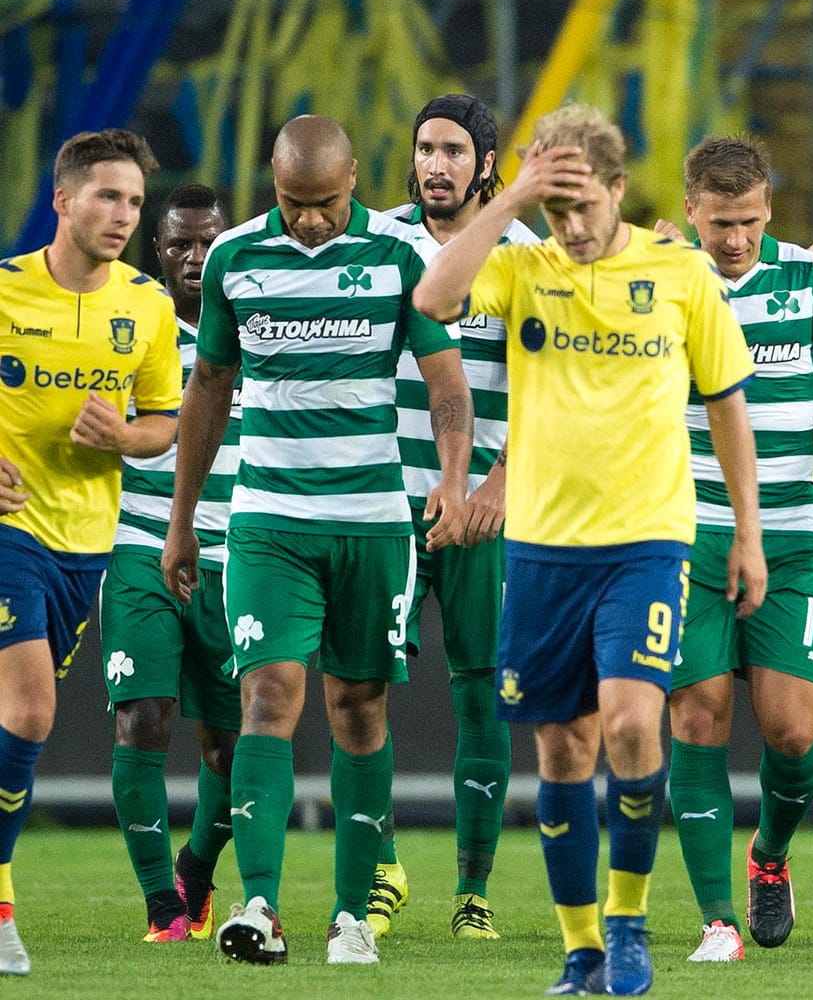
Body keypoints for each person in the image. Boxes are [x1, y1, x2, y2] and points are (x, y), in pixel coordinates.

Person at [413, 102, 763, 997]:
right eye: (555, 209)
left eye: (583, 207)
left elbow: (728, 407)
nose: (570, 228)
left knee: (634, 722)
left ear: (617, 190)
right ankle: (581, 952)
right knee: (563, 752)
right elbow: (435, 297)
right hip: (541, 549)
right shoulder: (524, 265)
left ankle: (629, 919)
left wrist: (749, 534)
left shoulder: (682, 277)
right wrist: (516, 195)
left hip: (646, 540)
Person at [163, 115, 474, 967]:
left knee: (359, 707)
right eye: (294, 204)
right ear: (272, 183)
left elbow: (447, 381)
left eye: (327, 204)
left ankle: (350, 917)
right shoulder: (233, 260)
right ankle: (259, 905)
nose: (309, 221)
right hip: (266, 524)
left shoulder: (400, 258)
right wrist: (184, 521)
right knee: (267, 696)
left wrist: (452, 476)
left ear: (356, 180)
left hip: (374, 523)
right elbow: (209, 392)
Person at [654, 135, 813, 963]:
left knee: (793, 733)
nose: (736, 240)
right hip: (686, 536)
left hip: (788, 539)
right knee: (697, 713)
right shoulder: (662, 283)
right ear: (690, 210)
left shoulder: (810, 280)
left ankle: (770, 856)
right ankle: (719, 918)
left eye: (750, 221)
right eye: (720, 223)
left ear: (769, 210)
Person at [0, 129, 181, 976]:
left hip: (87, 546)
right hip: (10, 533)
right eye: (107, 196)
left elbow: (165, 422)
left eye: (135, 201)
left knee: (17, 720)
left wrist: (128, 438)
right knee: (31, 710)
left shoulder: (145, 306)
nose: (123, 215)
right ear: (63, 200)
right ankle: (2, 905)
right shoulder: (4, 291)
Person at [370, 93, 540, 941]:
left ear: (485, 163)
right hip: (378, 502)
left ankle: (474, 890)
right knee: (361, 690)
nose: (436, 164)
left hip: (485, 511)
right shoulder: (374, 240)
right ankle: (379, 869)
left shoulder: (527, 254)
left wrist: (499, 482)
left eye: (453, 150)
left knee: (483, 693)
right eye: (425, 147)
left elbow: (550, 383)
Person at [100, 185, 240, 944]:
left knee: (233, 743)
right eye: (179, 244)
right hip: (139, 543)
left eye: (207, 242)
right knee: (141, 721)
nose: (194, 257)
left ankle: (197, 869)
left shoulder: (259, 325)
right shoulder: (131, 327)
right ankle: (164, 910)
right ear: (157, 251)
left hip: (235, 555)